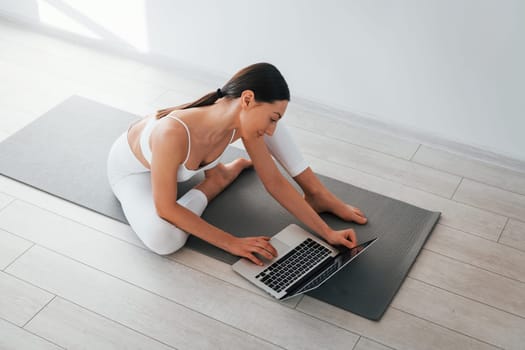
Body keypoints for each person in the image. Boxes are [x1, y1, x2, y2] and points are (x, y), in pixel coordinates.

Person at [107, 63, 367, 266]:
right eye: (273, 118)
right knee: (163, 239)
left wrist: (327, 232)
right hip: (132, 173)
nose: (273, 130)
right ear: (247, 99)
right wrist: (232, 243)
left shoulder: (241, 123)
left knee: (262, 125)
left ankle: (222, 174)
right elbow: (166, 208)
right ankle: (215, 181)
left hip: (177, 160)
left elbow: (274, 182)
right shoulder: (171, 134)